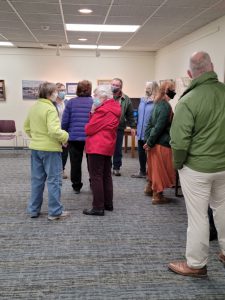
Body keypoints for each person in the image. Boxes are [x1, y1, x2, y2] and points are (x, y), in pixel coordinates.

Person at [168, 51, 225, 277]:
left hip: (197, 168)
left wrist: (178, 164)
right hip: (224, 166)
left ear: (190, 74)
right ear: (211, 67)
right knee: (223, 210)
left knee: (198, 216)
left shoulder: (188, 100)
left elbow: (179, 142)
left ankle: (196, 264)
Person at [24, 81, 70, 221]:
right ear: (50, 94)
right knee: (54, 180)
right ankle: (55, 212)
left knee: (37, 180)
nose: (58, 93)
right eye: (56, 91)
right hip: (50, 149)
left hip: (36, 149)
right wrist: (65, 137)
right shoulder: (50, 109)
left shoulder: (34, 107)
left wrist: (37, 138)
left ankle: (33, 210)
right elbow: (54, 130)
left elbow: (26, 127)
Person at [83, 85, 121, 216]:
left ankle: (98, 207)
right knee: (106, 175)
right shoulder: (114, 108)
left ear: (104, 97)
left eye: (96, 95)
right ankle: (107, 203)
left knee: (96, 177)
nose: (94, 98)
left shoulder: (103, 110)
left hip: (97, 146)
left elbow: (89, 129)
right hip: (107, 145)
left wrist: (92, 112)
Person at [143, 80, 176, 204]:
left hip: (155, 142)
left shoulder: (157, 103)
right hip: (161, 143)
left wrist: (148, 141)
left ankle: (149, 189)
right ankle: (157, 196)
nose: (174, 92)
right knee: (161, 170)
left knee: (153, 168)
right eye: (173, 90)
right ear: (167, 91)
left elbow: (150, 123)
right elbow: (159, 126)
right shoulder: (165, 106)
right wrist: (150, 142)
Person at [61, 80, 93, 194]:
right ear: (90, 89)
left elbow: (65, 121)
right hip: (90, 137)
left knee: (75, 162)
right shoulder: (94, 102)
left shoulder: (71, 102)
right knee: (92, 162)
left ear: (77, 90)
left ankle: (76, 186)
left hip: (74, 137)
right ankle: (93, 184)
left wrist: (63, 134)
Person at [131, 81, 159, 179]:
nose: (146, 90)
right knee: (141, 153)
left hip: (150, 133)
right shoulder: (142, 101)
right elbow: (138, 115)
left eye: (149, 88)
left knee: (151, 155)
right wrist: (135, 127)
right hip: (140, 132)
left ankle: (151, 174)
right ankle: (142, 171)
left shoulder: (157, 102)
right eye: (146, 87)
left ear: (154, 89)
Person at [111, 78, 136, 176]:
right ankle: (106, 167)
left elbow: (130, 114)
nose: (114, 86)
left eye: (117, 85)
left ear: (121, 87)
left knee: (117, 149)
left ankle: (116, 167)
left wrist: (133, 126)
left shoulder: (126, 99)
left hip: (119, 127)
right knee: (107, 148)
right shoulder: (106, 96)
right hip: (107, 128)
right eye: (113, 84)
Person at [55, 82, 69, 179]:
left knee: (64, 152)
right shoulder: (52, 104)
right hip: (55, 130)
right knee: (55, 152)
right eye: (61, 90)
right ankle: (54, 170)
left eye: (64, 90)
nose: (63, 92)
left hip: (64, 131)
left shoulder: (66, 103)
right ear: (56, 91)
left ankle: (62, 170)